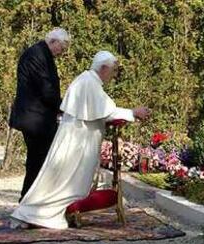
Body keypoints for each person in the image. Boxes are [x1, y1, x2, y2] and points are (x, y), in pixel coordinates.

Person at [10, 51, 151, 229]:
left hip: (75, 138)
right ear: (104, 68)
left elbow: (100, 110)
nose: (113, 75)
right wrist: (133, 113)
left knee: (60, 179)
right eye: (113, 71)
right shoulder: (90, 83)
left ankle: (35, 213)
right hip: (77, 142)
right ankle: (37, 214)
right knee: (64, 181)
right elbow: (107, 112)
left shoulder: (87, 80)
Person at [9, 28, 71, 201]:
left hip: (38, 118)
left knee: (39, 161)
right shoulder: (36, 55)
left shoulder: (42, 54)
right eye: (62, 47)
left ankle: (32, 202)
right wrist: (65, 107)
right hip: (34, 119)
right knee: (38, 162)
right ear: (53, 41)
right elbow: (46, 89)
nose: (62, 52)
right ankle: (28, 203)